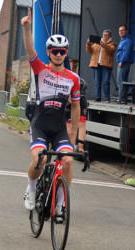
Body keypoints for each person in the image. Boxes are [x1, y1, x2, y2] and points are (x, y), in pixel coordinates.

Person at [21, 9, 80, 215]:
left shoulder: (73, 78)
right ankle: (30, 188)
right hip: (40, 124)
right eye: (54, 50)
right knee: (41, 160)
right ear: (48, 52)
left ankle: (61, 203)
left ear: (66, 53)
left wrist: (73, 134)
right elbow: (30, 50)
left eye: (62, 51)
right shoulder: (40, 69)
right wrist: (27, 29)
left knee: (68, 161)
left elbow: (75, 106)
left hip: (59, 128)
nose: (58, 53)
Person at [86, 29, 116, 103]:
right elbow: (89, 51)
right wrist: (88, 44)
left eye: (106, 35)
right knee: (97, 82)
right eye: (104, 35)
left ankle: (107, 98)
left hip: (106, 65)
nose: (104, 36)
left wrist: (103, 44)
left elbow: (111, 51)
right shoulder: (96, 44)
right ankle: (98, 97)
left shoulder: (112, 44)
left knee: (106, 82)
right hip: (97, 64)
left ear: (109, 37)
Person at [66, 78, 88, 154]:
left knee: (79, 124)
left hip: (78, 105)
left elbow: (82, 125)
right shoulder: (64, 99)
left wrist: (80, 146)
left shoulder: (82, 100)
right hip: (66, 109)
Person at [116, 25, 133, 103]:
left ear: (126, 31)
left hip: (124, 63)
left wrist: (121, 61)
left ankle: (121, 98)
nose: (121, 32)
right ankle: (123, 98)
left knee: (120, 82)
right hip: (124, 63)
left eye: (123, 30)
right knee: (123, 81)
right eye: (120, 30)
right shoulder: (124, 40)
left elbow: (126, 52)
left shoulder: (127, 41)